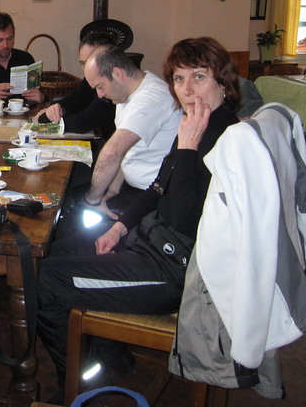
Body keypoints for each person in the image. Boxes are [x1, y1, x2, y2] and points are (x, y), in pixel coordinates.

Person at [37, 37, 242, 399]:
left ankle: (83, 383)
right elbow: (158, 188)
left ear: (222, 81)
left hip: (174, 270)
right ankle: (111, 354)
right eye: (179, 79)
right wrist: (119, 227)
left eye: (198, 77)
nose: (187, 91)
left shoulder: (225, 136)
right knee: (52, 253)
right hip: (148, 240)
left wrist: (188, 148)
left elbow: (184, 221)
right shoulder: (198, 121)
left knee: (46, 280)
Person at [82, 46, 181, 215]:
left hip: (153, 197)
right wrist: (112, 191)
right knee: (71, 202)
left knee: (74, 214)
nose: (99, 94)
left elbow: (112, 153)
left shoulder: (151, 99)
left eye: (100, 86)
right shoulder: (126, 95)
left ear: (117, 74)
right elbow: (126, 152)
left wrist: (91, 202)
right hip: (130, 188)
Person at [35, 30, 117, 141]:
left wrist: (47, 117)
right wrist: (57, 108)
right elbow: (75, 99)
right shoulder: (90, 79)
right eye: (83, 63)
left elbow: (83, 123)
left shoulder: (113, 84)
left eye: (90, 61)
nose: (86, 68)